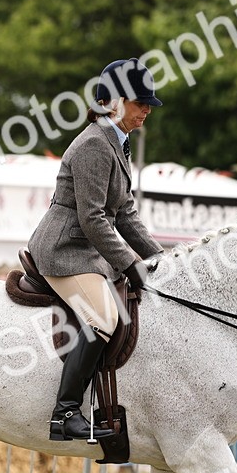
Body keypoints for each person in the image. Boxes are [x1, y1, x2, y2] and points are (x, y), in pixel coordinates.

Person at [26, 57, 164, 441]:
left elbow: (125, 213)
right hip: (63, 249)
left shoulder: (117, 143)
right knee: (104, 316)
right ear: (116, 102)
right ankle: (64, 412)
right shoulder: (93, 144)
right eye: (140, 102)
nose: (147, 110)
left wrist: (161, 259)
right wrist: (130, 262)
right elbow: (92, 218)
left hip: (85, 250)